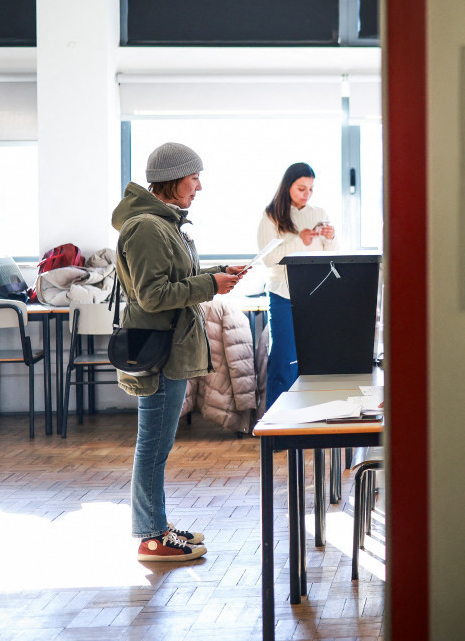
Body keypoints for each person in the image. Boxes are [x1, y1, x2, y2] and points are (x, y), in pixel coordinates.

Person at [112, 142, 246, 562]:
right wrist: (210, 286)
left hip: (167, 349)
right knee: (153, 447)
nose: (199, 187)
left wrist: (215, 274)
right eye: (194, 178)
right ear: (173, 179)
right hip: (159, 353)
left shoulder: (163, 224)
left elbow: (176, 278)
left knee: (158, 446)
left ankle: (158, 526)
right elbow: (153, 296)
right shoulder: (148, 227)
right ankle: (151, 537)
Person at [257, 162, 338, 408]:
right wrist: (299, 241)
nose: (307, 194)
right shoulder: (271, 215)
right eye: (301, 188)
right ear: (287, 186)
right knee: (284, 360)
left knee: (315, 361)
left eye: (311, 189)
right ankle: (277, 429)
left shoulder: (319, 212)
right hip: (283, 294)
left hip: (315, 294)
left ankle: (310, 419)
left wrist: (332, 239)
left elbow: (330, 257)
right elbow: (269, 259)